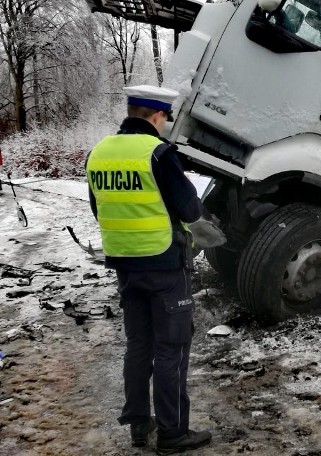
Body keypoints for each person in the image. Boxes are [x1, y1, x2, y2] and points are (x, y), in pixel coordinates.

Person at [86, 85, 224, 454]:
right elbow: (190, 211)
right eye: (166, 118)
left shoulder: (98, 153)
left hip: (124, 266)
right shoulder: (158, 153)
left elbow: (98, 209)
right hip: (163, 265)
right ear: (157, 116)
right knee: (171, 350)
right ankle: (173, 433)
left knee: (138, 346)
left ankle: (138, 425)